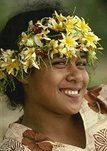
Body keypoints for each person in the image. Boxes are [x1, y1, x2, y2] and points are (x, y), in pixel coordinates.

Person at [0, 2, 107, 151]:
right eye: (60, 62)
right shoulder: (17, 148)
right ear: (22, 73)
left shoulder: (102, 101)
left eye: (81, 63)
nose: (77, 76)